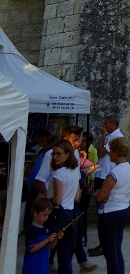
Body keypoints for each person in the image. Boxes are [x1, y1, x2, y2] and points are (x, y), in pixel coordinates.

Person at [95, 137, 130, 274]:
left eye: (110, 150)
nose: (109, 153)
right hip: (123, 208)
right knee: (116, 249)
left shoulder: (114, 173)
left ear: (116, 151)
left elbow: (100, 197)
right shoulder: (128, 168)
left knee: (110, 252)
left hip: (110, 212)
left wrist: (97, 193)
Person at [88, 115, 123, 257]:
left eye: (107, 124)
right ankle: (103, 243)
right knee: (101, 212)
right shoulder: (110, 136)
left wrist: (102, 136)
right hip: (102, 173)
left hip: (106, 174)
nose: (104, 126)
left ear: (113, 124)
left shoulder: (116, 137)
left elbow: (100, 152)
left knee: (104, 211)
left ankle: (105, 244)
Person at [50, 140, 81, 274]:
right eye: (53, 154)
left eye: (59, 154)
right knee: (66, 254)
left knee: (60, 254)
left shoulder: (59, 174)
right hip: (71, 213)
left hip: (59, 214)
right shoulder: (75, 171)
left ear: (68, 154)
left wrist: (46, 200)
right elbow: (77, 197)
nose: (55, 157)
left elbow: (57, 200)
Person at [22, 195, 63, 274]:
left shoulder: (46, 228)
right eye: (44, 215)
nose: (46, 218)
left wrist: (56, 239)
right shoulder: (31, 229)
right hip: (33, 267)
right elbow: (31, 249)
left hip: (43, 265)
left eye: (48, 215)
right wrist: (47, 240)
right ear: (35, 213)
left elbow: (50, 246)